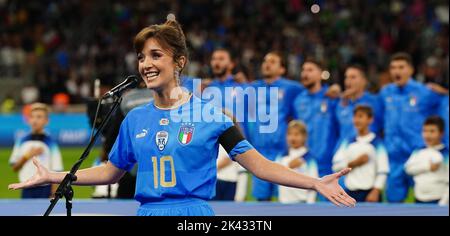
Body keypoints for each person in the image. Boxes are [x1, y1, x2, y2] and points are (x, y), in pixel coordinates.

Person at [9, 16, 355, 216]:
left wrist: (314, 181)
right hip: (146, 212)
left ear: (179, 62)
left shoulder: (212, 115)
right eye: (141, 56)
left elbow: (260, 166)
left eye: (156, 54)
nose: (145, 64)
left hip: (193, 216)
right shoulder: (134, 118)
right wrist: (54, 174)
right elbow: (112, 171)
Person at [379, 52, 444, 203]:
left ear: (411, 70)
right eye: (393, 68)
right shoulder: (385, 92)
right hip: (394, 158)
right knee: (393, 206)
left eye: (401, 67)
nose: (397, 71)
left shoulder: (425, 92)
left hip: (419, 156)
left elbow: (443, 112)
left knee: (425, 204)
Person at [246, 51, 305, 201]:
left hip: (282, 152)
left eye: (273, 62)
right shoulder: (252, 88)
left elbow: (312, 90)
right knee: (261, 200)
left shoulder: (292, 88)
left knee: (285, 200)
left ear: (282, 69)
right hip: (259, 152)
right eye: (265, 61)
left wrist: (332, 90)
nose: (267, 64)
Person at [293, 58, 340, 180]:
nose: (305, 74)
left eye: (310, 70)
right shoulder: (298, 100)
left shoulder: (331, 97)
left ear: (320, 74)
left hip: (328, 163)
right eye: (303, 70)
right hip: (304, 162)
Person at [332, 105, 389, 202]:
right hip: (350, 193)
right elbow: (335, 167)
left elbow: (383, 170)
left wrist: (376, 191)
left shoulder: (377, 143)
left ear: (370, 120)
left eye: (361, 116)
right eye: (355, 117)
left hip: (370, 193)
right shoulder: (347, 142)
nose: (357, 120)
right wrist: (353, 163)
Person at [9, 103, 63, 198]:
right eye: (32, 117)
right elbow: (14, 167)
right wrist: (27, 156)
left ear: (46, 121)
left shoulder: (50, 142)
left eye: (39, 117)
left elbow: (56, 170)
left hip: (45, 188)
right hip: (26, 186)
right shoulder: (21, 140)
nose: (35, 120)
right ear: (28, 120)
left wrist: (54, 191)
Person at [404, 116, 449, 204]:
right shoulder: (418, 151)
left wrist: (444, 202)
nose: (428, 135)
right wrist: (427, 167)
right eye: (425, 131)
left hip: (438, 200)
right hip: (419, 199)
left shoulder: (446, 154)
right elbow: (408, 169)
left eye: (432, 131)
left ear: (441, 133)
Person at [335, 65, 382, 145]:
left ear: (364, 81)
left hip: (367, 150)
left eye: (353, 77)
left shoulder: (375, 102)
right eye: (346, 77)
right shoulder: (340, 103)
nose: (348, 81)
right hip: (345, 152)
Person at [278, 120, 318, 204]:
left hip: (302, 203)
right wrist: (288, 166)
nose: (292, 138)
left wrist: (310, 204)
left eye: (296, 134)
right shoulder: (281, 157)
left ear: (304, 136)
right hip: (284, 203)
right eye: (289, 134)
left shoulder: (309, 159)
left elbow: (315, 184)